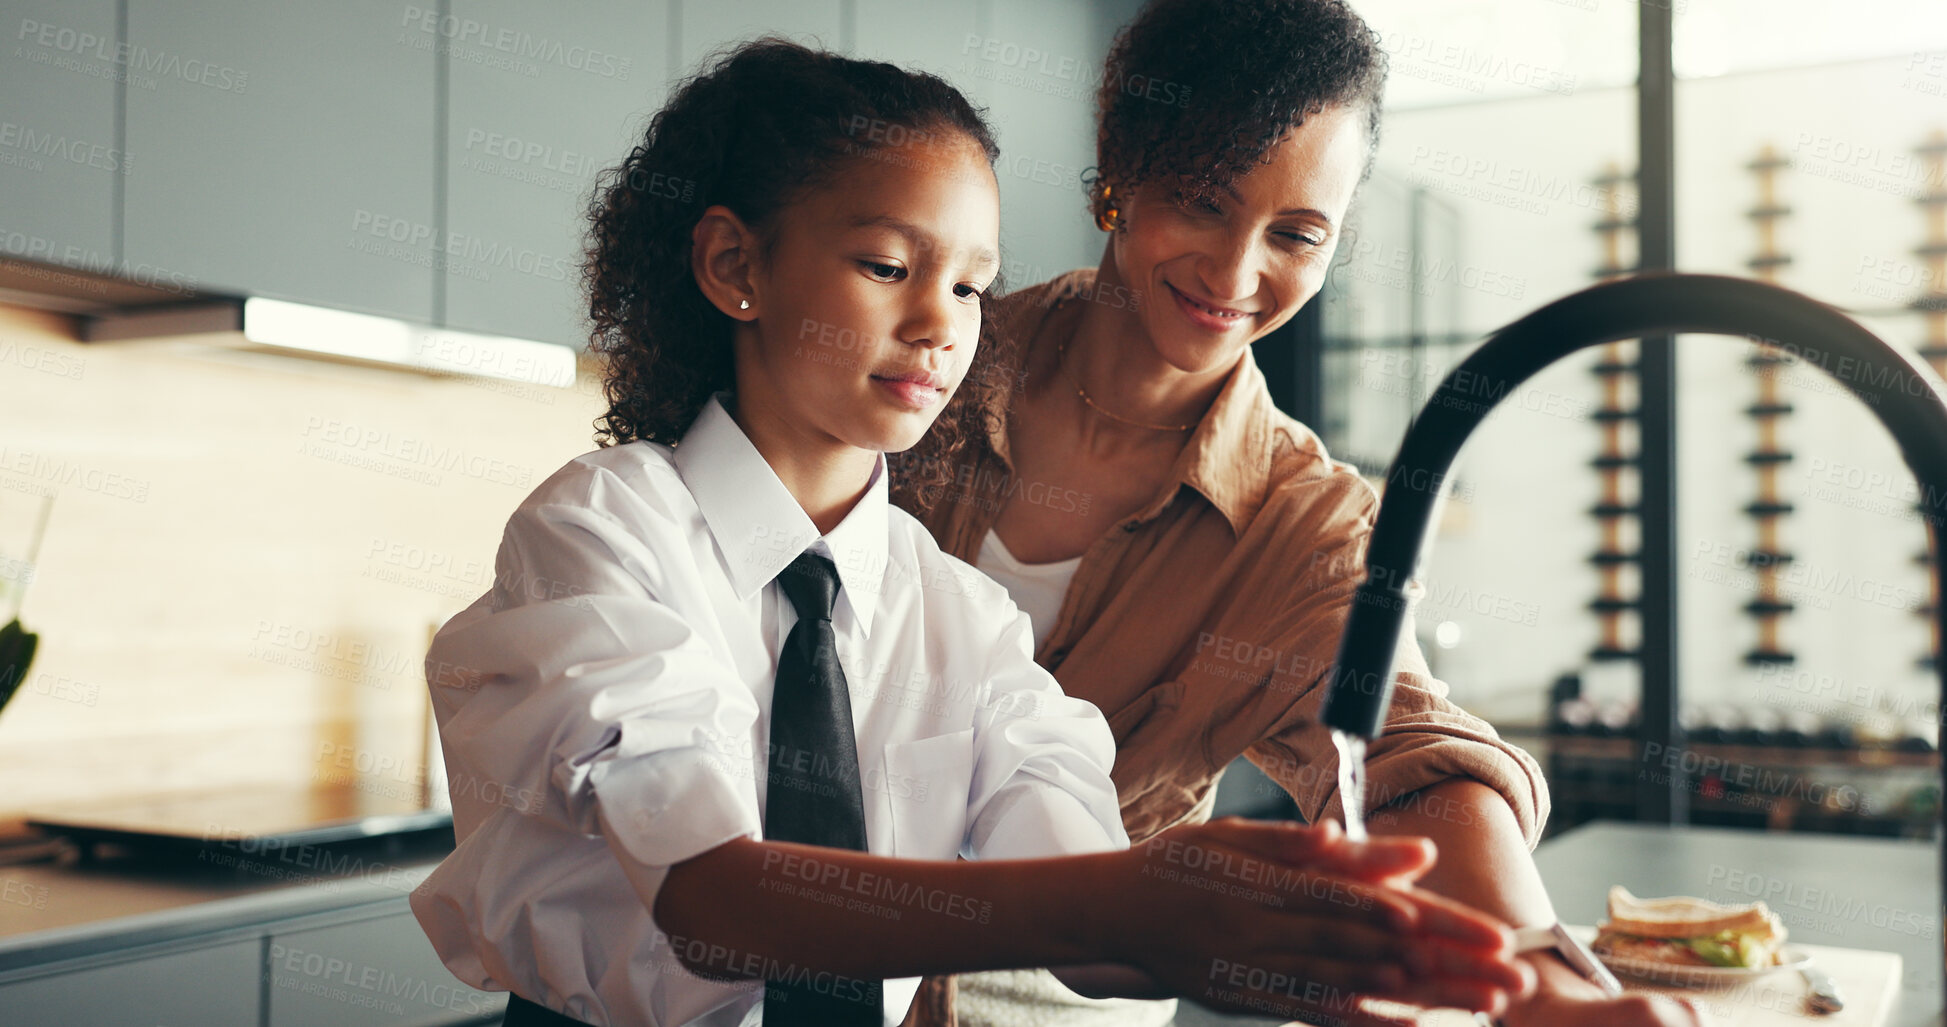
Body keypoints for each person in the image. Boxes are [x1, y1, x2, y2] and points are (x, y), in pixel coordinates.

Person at [408, 38, 1534, 1027]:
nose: (940, 325)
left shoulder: (957, 611)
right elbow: (714, 901)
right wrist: (1136, 899)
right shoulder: (606, 528)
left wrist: (1290, 942)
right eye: (890, 268)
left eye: (972, 286)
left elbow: (1087, 919)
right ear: (736, 266)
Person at [889, 2, 1707, 1025]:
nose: (1235, 276)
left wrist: (1535, 978)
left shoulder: (1302, 522)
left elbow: (1409, 755)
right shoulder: (921, 365)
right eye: (1200, 202)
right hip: (772, 971)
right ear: (1119, 174)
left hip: (1061, 1001)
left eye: (1295, 233)